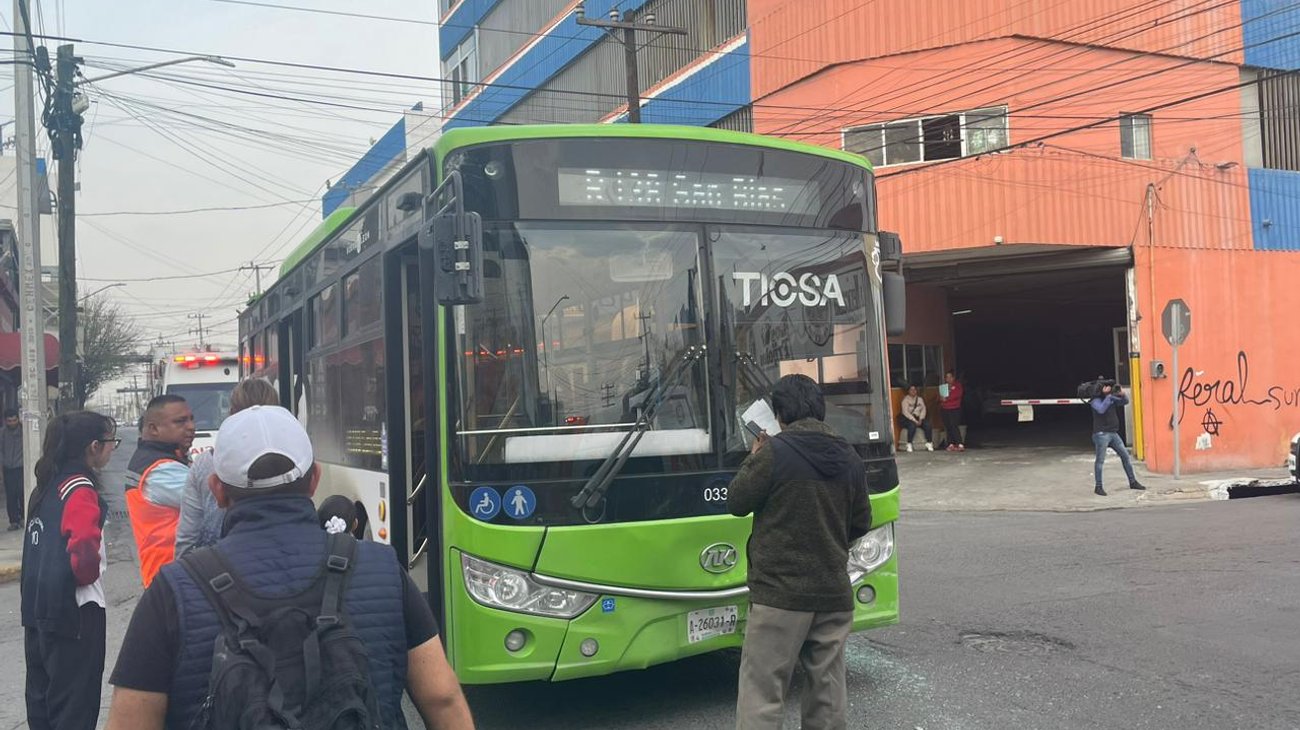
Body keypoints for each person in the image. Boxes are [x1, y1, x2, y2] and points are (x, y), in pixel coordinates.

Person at [104, 406, 475, 730]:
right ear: (314, 480)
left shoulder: (173, 590)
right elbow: (442, 699)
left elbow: (130, 721)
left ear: (217, 490)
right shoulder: (383, 570)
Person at [727, 374, 871, 730]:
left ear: (779, 414)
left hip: (780, 594)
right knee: (828, 690)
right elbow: (861, 522)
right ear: (820, 410)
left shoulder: (774, 453)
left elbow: (736, 501)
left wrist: (754, 457)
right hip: (832, 592)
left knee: (763, 690)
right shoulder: (849, 456)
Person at [21, 411, 119, 730]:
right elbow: (85, 548)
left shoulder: (46, 485)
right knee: (75, 706)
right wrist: (84, 575)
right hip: (75, 610)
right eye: (111, 442)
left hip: (37, 608)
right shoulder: (79, 489)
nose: (112, 448)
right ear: (94, 447)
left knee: (42, 703)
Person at [174, 378, 279, 558]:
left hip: (220, 567)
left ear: (231, 413)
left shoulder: (206, 464)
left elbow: (188, 536)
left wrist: (186, 569)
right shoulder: (293, 461)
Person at [125, 395, 194, 587]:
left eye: (191, 419)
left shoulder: (162, 459)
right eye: (180, 421)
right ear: (154, 429)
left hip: (171, 575)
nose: (191, 426)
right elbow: (213, 499)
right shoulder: (161, 470)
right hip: (174, 578)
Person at [1090, 382, 1146, 496]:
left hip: (1113, 433)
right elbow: (1101, 409)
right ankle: (1098, 486)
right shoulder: (1095, 401)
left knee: (1125, 456)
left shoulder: (1110, 398)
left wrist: (1122, 394)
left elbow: (1125, 402)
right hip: (1101, 434)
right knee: (1100, 461)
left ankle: (1132, 481)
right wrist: (1108, 396)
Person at [2, 407, 24, 529]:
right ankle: (14, 521)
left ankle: (23, 517)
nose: (12, 423)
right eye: (9, 421)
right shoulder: (2, 434)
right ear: (5, 421)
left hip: (21, 467)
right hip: (8, 468)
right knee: (10, 495)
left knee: (21, 492)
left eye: (14, 420)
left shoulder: (24, 432)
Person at [898, 384, 933, 452]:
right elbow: (905, 412)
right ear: (908, 391)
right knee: (912, 425)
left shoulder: (920, 399)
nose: (913, 391)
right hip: (908, 419)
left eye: (914, 389)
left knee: (927, 425)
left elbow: (923, 409)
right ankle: (909, 444)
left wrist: (921, 419)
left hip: (918, 417)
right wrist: (915, 421)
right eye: (911, 390)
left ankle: (929, 443)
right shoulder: (905, 400)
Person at [940, 370, 965, 452]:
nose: (949, 379)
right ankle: (950, 444)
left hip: (955, 408)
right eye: (947, 377)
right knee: (948, 426)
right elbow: (942, 398)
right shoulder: (944, 387)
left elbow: (957, 396)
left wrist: (946, 398)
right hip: (945, 409)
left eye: (950, 377)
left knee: (954, 425)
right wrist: (943, 399)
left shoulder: (958, 386)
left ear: (953, 378)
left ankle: (960, 443)